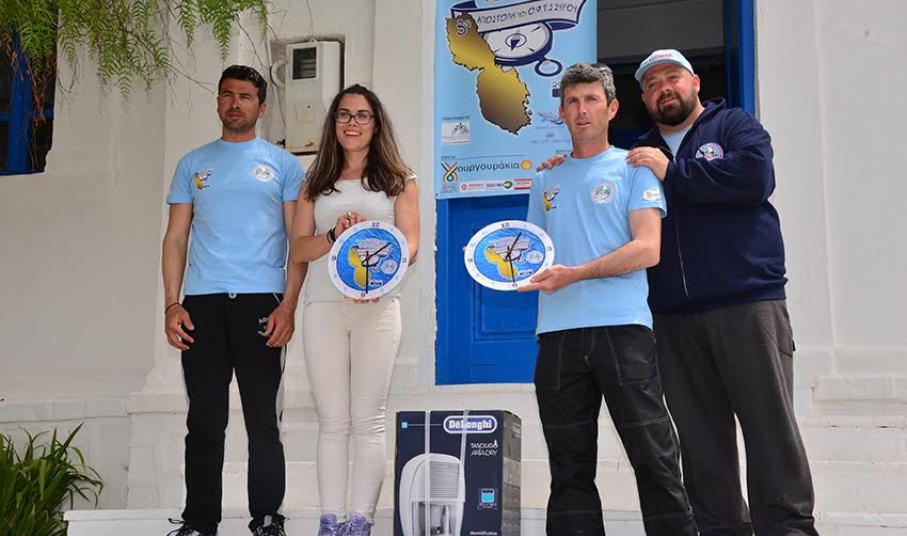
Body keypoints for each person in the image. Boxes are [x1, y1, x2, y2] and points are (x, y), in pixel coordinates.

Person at [626, 49, 818, 536]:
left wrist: (674, 173)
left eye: (672, 77)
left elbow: (754, 178)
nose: (663, 88)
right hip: (672, 315)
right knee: (700, 439)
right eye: (652, 84)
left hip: (746, 301)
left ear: (694, 83)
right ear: (644, 98)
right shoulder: (638, 153)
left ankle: (788, 529)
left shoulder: (734, 126)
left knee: (769, 429)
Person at [518, 63, 697, 536]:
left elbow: (648, 249)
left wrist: (576, 274)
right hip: (557, 335)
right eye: (572, 102)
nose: (582, 110)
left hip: (623, 329)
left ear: (612, 108)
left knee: (654, 457)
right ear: (561, 113)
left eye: (591, 100)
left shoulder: (633, 168)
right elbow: (532, 253)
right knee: (569, 469)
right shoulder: (545, 180)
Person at [161, 64, 305, 536]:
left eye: (245, 96)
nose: (235, 103)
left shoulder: (284, 165)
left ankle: (266, 517)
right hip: (201, 305)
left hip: (261, 303)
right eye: (227, 94)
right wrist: (172, 303)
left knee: (263, 420)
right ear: (218, 102)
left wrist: (288, 305)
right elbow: (176, 238)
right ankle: (199, 521)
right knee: (204, 419)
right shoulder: (192, 164)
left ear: (261, 108)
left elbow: (297, 242)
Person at [289, 84, 420, 536]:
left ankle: (359, 522)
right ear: (333, 124)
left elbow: (411, 247)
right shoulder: (314, 183)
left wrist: (377, 266)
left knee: (369, 419)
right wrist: (333, 237)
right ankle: (330, 521)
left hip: (378, 308)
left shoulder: (400, 180)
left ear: (376, 124)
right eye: (344, 115)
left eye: (362, 115)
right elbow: (298, 249)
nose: (352, 123)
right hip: (324, 307)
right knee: (332, 420)